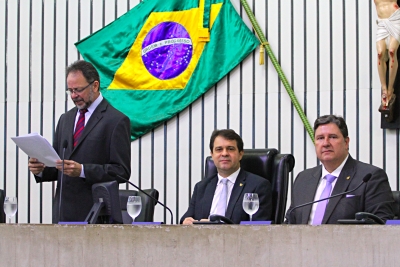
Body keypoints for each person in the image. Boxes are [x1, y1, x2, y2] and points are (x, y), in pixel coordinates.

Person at [28, 60, 131, 223]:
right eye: (70, 90)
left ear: (95, 86)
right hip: (62, 214)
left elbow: (121, 171)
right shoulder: (65, 119)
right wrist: (40, 169)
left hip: (96, 215)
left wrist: (82, 170)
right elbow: (58, 165)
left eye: (78, 90)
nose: (74, 95)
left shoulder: (116, 121)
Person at [286, 115, 394, 224]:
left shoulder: (370, 177)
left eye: (332, 137)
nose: (326, 143)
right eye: (320, 138)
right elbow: (289, 224)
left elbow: (381, 225)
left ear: (346, 142)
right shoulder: (303, 179)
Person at [180, 129, 272, 224]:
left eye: (230, 149)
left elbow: (260, 227)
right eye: (219, 149)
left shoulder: (258, 186)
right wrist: (186, 222)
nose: (224, 153)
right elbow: (187, 218)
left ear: (240, 154)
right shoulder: (201, 187)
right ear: (212, 154)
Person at [376, 0, 400, 118]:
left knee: (392, 51)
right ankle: (384, 90)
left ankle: (390, 91)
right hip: (382, 21)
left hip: (395, 18)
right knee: (380, 54)